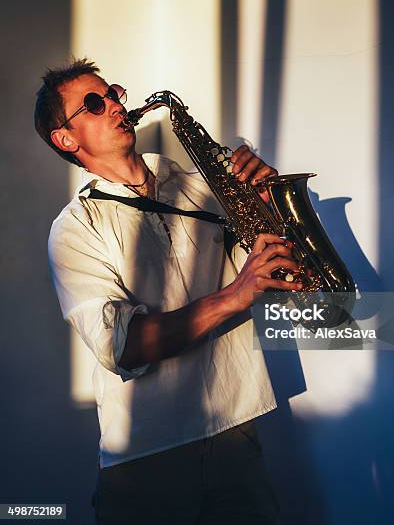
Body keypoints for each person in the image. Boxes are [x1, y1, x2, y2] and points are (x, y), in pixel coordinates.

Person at [34, 58, 301, 524]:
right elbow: (124, 345)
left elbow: (279, 283)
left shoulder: (206, 189)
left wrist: (270, 205)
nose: (115, 105)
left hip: (237, 432)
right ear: (66, 139)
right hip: (146, 455)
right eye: (94, 104)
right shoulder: (75, 229)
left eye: (113, 93)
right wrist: (236, 294)